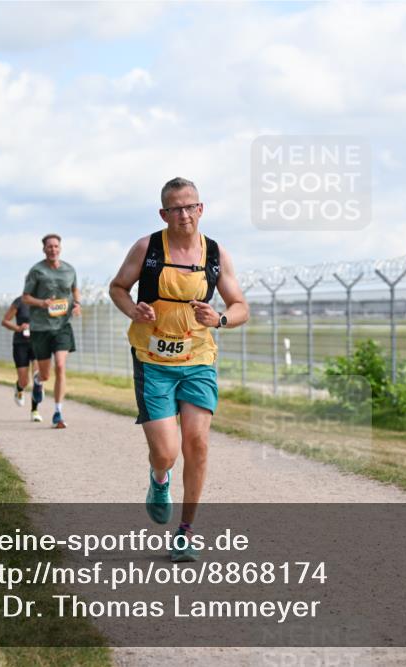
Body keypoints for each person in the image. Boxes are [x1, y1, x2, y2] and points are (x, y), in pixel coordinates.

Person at [110, 177, 249, 562]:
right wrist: (133, 309)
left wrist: (219, 319)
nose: (184, 214)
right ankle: (159, 480)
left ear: (201, 209)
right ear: (163, 213)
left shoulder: (216, 254)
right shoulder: (147, 248)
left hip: (198, 360)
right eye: (175, 208)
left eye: (190, 206)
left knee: (197, 444)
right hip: (153, 360)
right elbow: (118, 287)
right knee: (167, 452)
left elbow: (240, 305)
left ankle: (185, 532)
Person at [22, 234, 80, 429]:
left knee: (61, 366)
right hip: (41, 328)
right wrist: (42, 303)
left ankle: (58, 412)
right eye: (49, 247)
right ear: (44, 249)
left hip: (62, 325)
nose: (53, 249)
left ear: (60, 248)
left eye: (56, 246)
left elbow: (74, 289)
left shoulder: (69, 270)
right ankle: (38, 381)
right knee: (46, 374)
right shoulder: (37, 271)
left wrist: (77, 303)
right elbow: (26, 298)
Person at [1, 296, 44, 422]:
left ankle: (35, 410)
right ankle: (19, 388)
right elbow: (5, 321)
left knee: (38, 377)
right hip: (21, 344)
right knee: (24, 381)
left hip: (38, 343)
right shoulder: (19, 302)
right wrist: (18, 328)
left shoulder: (44, 302)